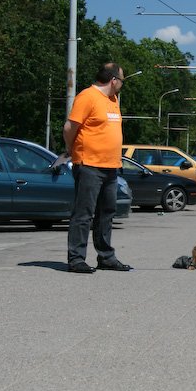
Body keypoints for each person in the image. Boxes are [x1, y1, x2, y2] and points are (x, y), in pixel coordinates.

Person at [63, 61, 132, 273]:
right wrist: (71, 150)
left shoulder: (113, 100)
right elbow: (70, 127)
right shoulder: (87, 96)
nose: (122, 84)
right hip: (89, 165)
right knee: (84, 214)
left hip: (111, 166)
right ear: (113, 80)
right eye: (122, 80)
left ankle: (106, 257)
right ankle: (76, 259)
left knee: (107, 213)